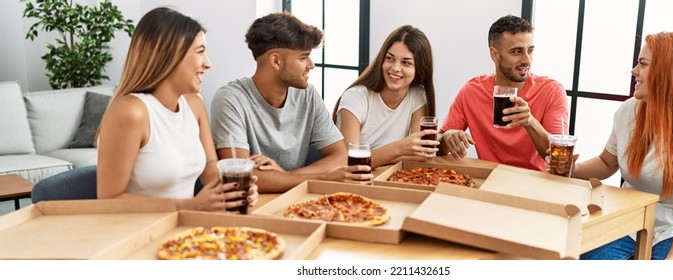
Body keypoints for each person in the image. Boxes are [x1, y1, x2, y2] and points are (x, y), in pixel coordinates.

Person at [570, 32, 673, 260]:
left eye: (642, 64)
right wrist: (572, 169)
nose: (633, 71)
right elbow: (606, 162)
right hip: (636, 214)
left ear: (671, 71)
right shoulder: (630, 110)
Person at [97, 7, 259, 212]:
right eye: (200, 51)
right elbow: (109, 200)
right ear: (170, 55)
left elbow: (210, 170)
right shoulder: (131, 112)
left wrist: (233, 191)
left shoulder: (194, 104)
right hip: (139, 232)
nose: (208, 63)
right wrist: (190, 206)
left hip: (186, 231)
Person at [211, 12, 371, 193]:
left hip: (298, 201)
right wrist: (320, 178)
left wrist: (283, 176)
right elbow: (242, 178)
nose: (311, 65)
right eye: (303, 57)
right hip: (252, 207)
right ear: (276, 61)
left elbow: (341, 156)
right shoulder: (230, 99)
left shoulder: (308, 95)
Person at [439, 15, 568, 171]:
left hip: (534, 183)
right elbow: (438, 146)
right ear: (494, 55)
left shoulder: (552, 91)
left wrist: (530, 122)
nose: (527, 60)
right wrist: (447, 137)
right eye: (516, 52)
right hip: (488, 179)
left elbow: (557, 158)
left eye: (530, 50)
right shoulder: (472, 90)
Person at [332, 25, 439, 169]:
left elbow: (419, 155)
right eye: (390, 58)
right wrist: (399, 148)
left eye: (406, 62)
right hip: (354, 182)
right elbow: (351, 163)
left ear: (420, 68)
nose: (395, 68)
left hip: (388, 176)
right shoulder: (355, 99)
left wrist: (376, 157)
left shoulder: (417, 95)